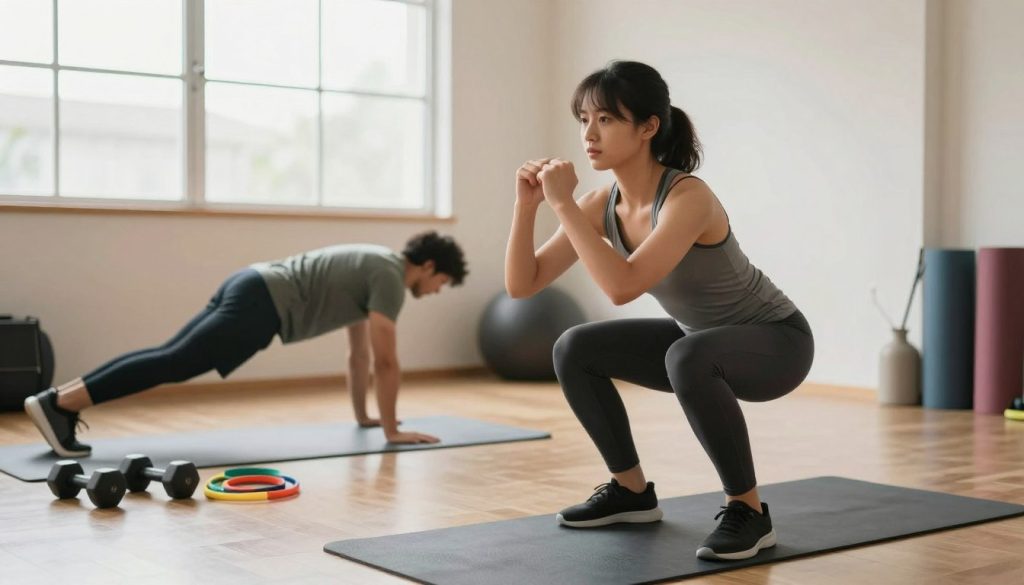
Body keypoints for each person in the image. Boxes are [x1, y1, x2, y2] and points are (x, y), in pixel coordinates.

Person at [505, 61, 813, 561]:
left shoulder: (688, 197)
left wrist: (562, 205)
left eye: (605, 120)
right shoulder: (601, 202)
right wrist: (528, 206)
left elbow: (622, 287)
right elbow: (524, 284)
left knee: (687, 355)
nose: (589, 134)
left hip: (778, 342)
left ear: (648, 126)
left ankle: (749, 513)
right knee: (575, 346)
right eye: (583, 119)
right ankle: (630, 492)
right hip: (698, 340)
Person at [25, 231, 468, 456]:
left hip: (252, 284)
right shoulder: (390, 279)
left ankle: (59, 400)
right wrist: (393, 430)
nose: (435, 291)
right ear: (428, 266)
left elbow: (360, 355)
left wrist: (366, 417)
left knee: (168, 356)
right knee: (173, 362)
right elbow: (387, 362)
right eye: (441, 282)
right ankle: (60, 405)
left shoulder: (377, 266)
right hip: (264, 303)